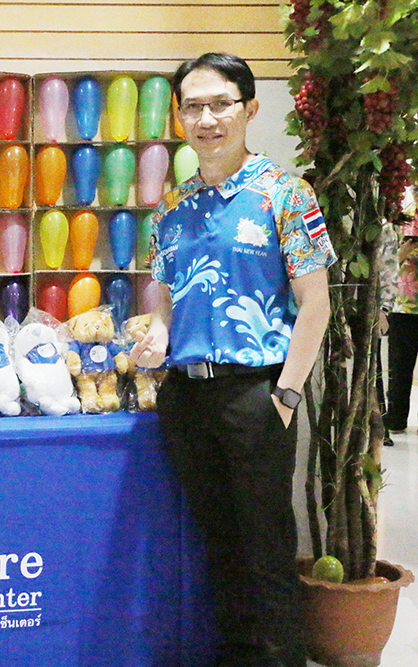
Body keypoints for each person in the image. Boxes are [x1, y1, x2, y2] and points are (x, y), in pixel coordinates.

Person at [130, 53, 336, 667]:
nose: (207, 119)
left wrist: (287, 395)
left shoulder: (285, 194)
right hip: (187, 397)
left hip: (257, 395)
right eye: (193, 106)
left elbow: (316, 304)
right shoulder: (172, 206)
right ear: (178, 116)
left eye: (221, 104)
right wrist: (158, 333)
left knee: (264, 548)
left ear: (249, 109)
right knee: (218, 544)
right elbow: (165, 295)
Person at [380, 191, 418, 438]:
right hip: (403, 304)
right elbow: (388, 260)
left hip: (404, 304)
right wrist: (405, 251)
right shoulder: (403, 214)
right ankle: (395, 419)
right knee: (399, 368)